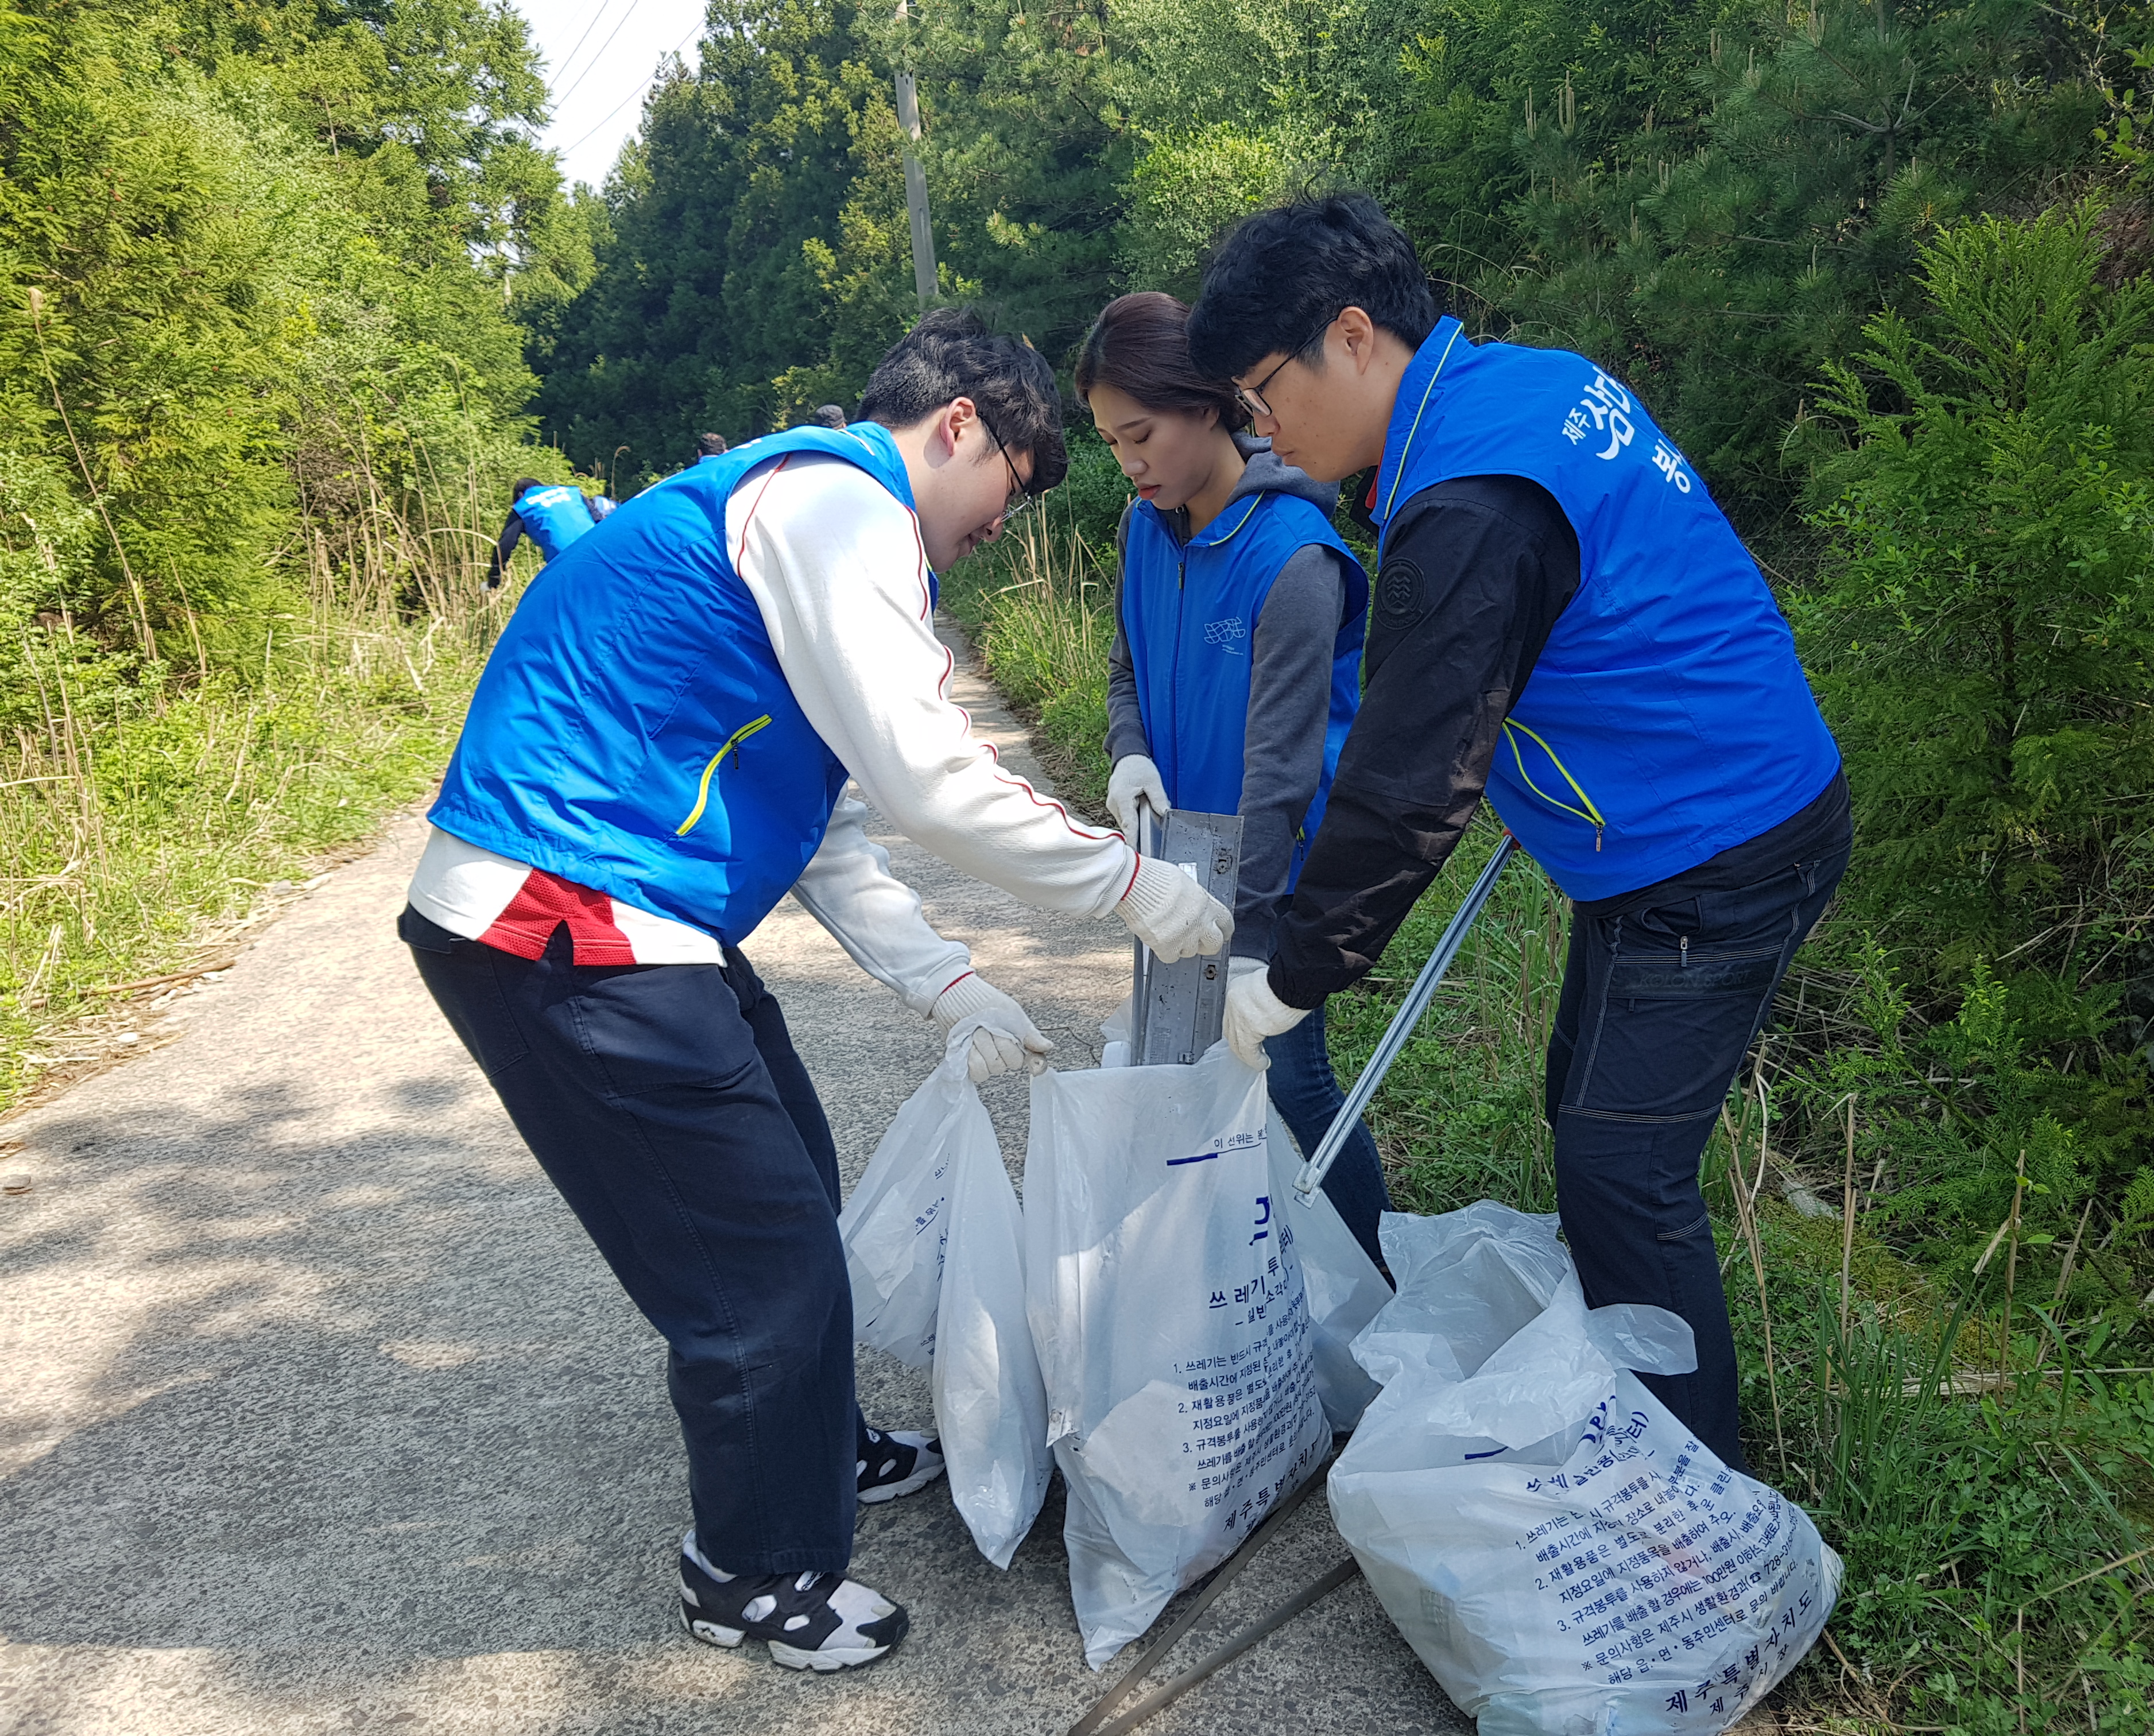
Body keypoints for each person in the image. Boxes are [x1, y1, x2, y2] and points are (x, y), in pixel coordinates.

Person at [400, 308, 1231, 1669]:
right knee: (754, 1264)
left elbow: (826, 824)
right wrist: (1132, 889)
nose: (998, 532)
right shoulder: (842, 504)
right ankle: (751, 1572)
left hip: (632, 913)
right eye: (1009, 493)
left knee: (789, 1160)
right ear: (959, 424)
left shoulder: (809, 529)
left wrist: (948, 981)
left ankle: (818, 1447)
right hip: (558, 912)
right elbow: (930, 773)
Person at [1192, 195, 1850, 1477]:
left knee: (1621, 1168)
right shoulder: (1526, 388)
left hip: (1717, 848)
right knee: (1593, 1121)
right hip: (1696, 819)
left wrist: (1293, 972)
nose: (1261, 433)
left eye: (1266, 395)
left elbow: (1409, 781)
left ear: (1353, 334)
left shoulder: (1473, 496)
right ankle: (1642, 1426)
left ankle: (1692, 1495)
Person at [1075, 290, 1393, 1270]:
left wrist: (1243, 929)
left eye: (1141, 434)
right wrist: (1128, 751)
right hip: (1175, 864)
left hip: (1271, 875)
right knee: (1186, 1074)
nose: (1128, 462)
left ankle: (1376, 1283)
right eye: (1110, 441)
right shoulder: (1145, 528)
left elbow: (1283, 773)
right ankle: (1230, 1282)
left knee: (1290, 1077)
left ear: (1209, 403)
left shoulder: (1291, 558)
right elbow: (1127, 665)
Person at [484, 478, 605, 588]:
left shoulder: (523, 506)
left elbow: (505, 545)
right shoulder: (572, 492)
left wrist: (494, 579)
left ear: (520, 496)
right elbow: (600, 520)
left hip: (566, 561)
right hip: (600, 550)